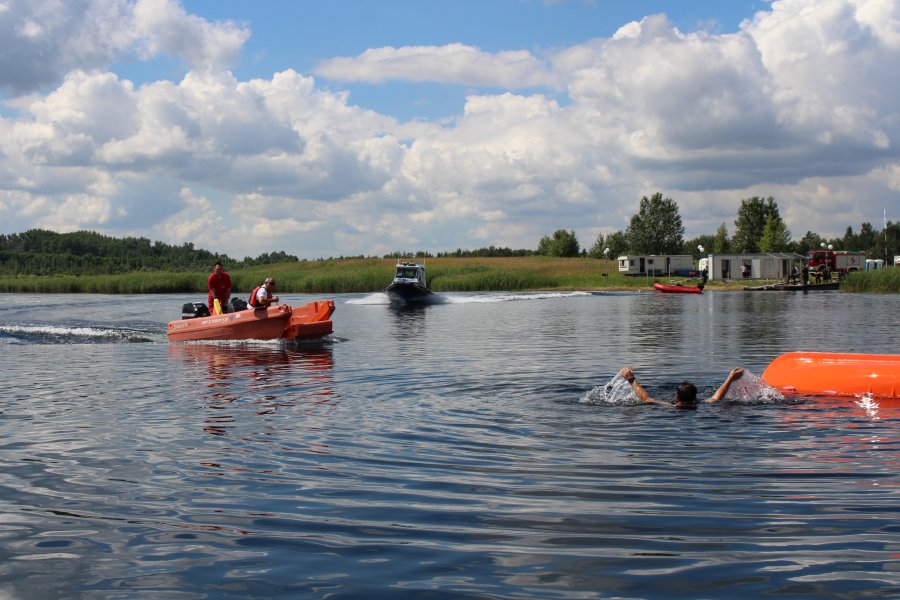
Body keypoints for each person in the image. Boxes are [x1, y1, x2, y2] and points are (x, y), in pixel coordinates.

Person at [618, 367, 745, 409]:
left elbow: (645, 398)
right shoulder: (701, 403)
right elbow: (717, 396)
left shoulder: (669, 406)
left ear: (677, 396)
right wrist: (731, 378)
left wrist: (631, 379)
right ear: (695, 397)